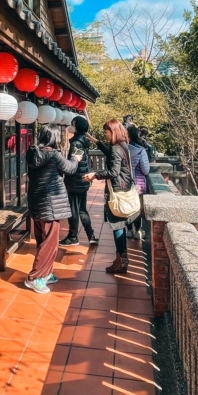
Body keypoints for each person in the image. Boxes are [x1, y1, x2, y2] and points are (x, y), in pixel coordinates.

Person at [24, 125, 82, 294]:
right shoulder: (53, 154)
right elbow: (70, 168)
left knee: (42, 240)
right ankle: (34, 278)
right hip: (50, 204)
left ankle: (45, 273)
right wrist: (76, 159)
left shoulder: (33, 152)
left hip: (36, 200)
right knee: (50, 243)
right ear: (54, 138)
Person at [84, 119, 135, 274]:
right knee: (120, 225)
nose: (105, 134)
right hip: (125, 187)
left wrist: (95, 174)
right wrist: (97, 142)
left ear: (112, 131)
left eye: (106, 131)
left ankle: (121, 261)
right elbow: (112, 156)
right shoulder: (122, 145)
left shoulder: (116, 148)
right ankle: (122, 259)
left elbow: (113, 172)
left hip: (118, 191)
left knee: (117, 225)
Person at [61, 116, 96, 247]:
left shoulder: (76, 143)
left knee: (73, 210)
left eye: (72, 124)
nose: (70, 127)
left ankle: (72, 236)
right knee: (82, 209)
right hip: (83, 179)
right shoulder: (84, 141)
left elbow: (74, 162)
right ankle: (91, 235)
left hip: (75, 180)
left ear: (77, 127)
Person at [126, 125, 151, 239]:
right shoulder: (141, 151)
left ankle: (129, 230)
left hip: (125, 182)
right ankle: (137, 231)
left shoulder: (122, 149)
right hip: (138, 183)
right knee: (137, 208)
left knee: (127, 207)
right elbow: (145, 170)